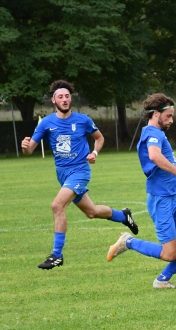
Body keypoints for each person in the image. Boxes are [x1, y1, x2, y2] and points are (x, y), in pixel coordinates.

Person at [21, 80, 139, 270]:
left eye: (67, 96)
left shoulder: (83, 120)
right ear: (53, 100)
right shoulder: (47, 123)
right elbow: (29, 151)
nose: (65, 99)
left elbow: (99, 138)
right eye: (60, 96)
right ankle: (123, 216)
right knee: (91, 212)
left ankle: (57, 255)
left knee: (57, 205)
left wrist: (95, 153)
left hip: (80, 171)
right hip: (63, 175)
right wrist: (25, 147)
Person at [107, 93, 176, 289]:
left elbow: (155, 158)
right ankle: (128, 242)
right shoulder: (154, 133)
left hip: (172, 198)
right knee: (170, 253)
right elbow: (153, 156)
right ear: (156, 114)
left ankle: (162, 280)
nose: (171, 120)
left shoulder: (152, 133)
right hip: (161, 200)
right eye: (168, 116)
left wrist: (173, 160)